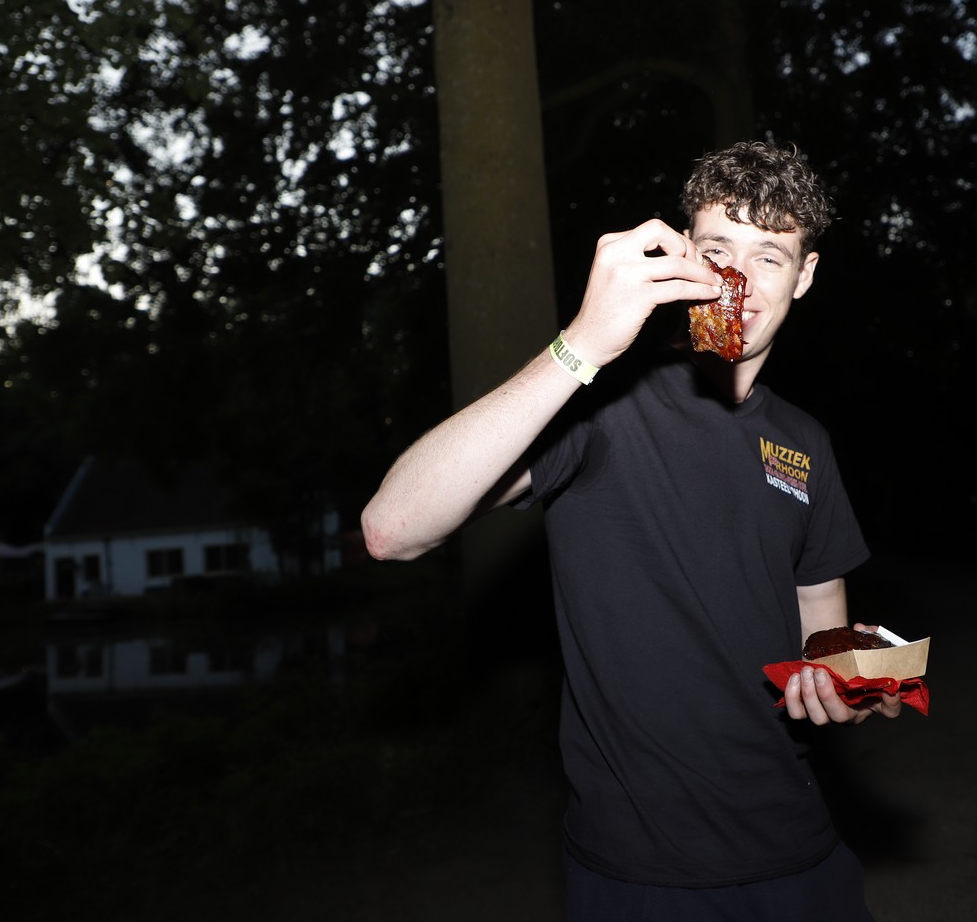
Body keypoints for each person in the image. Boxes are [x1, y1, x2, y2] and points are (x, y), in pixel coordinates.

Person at [362, 142, 898, 919]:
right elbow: (392, 528)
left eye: (770, 257)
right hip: (644, 876)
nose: (741, 281)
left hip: (802, 852)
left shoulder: (805, 441)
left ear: (805, 275)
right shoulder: (598, 403)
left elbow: (822, 631)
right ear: (682, 257)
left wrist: (856, 684)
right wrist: (582, 344)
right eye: (718, 251)